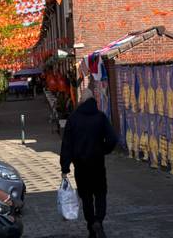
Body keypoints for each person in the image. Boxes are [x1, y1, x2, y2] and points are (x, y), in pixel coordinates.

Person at [60, 84, 119, 238]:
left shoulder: (73, 118)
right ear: (93, 101)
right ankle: (99, 220)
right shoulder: (100, 117)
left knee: (86, 197)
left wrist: (64, 166)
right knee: (100, 194)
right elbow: (113, 138)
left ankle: (91, 227)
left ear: (81, 101)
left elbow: (66, 144)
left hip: (81, 166)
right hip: (98, 164)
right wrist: (104, 150)